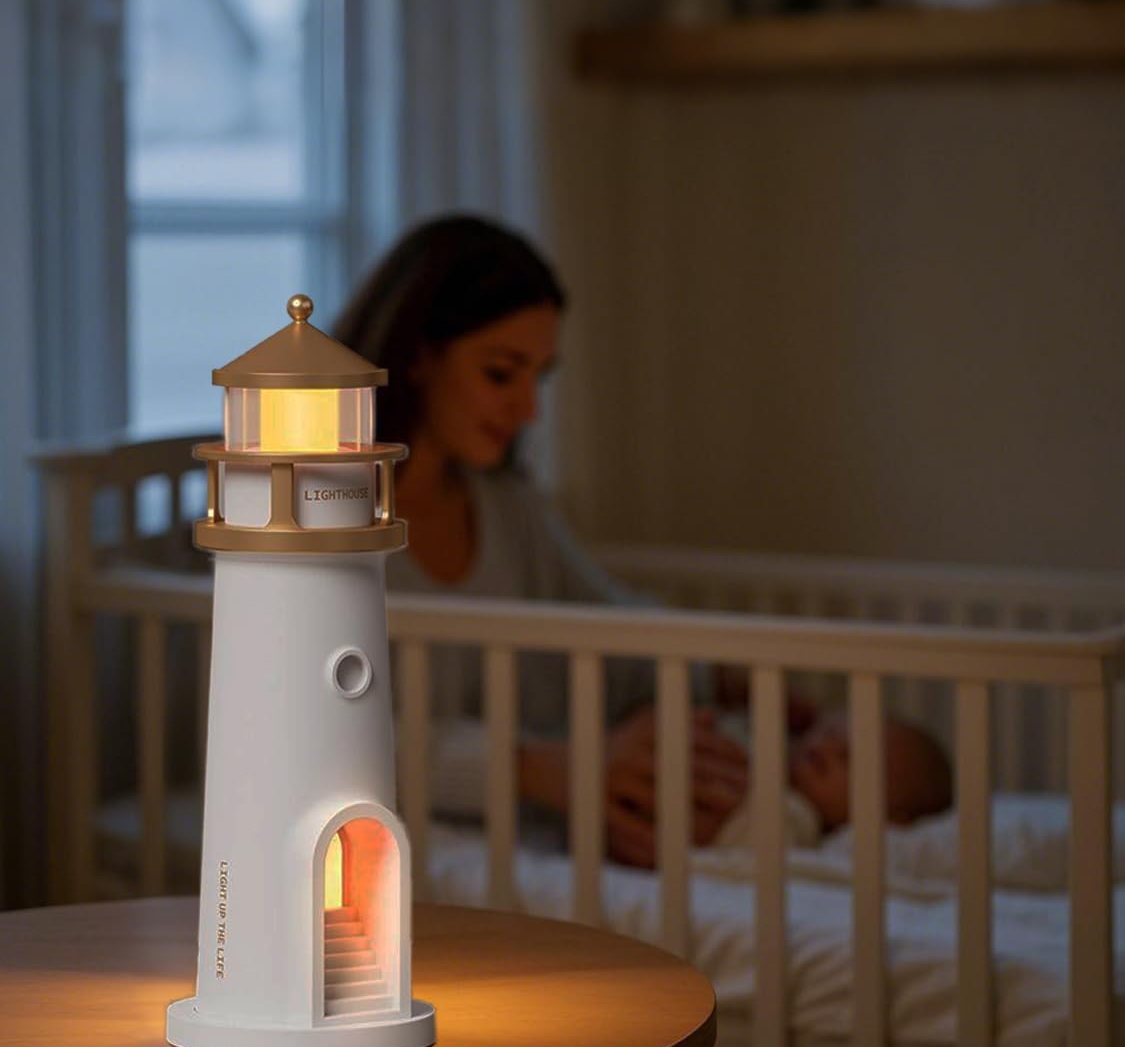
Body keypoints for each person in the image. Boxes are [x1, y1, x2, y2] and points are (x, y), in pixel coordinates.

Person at [334, 214, 749, 865]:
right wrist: (544, 769)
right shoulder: (326, 520)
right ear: (417, 355)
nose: (527, 409)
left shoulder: (506, 507)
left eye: (539, 377)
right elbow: (322, 733)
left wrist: (694, 693)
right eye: (501, 374)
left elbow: (614, 626)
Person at [711, 707, 953, 857]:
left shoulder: (793, 815)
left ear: (886, 821)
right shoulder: (768, 743)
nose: (827, 747)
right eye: (829, 731)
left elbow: (745, 859)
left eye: (848, 758)